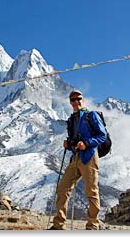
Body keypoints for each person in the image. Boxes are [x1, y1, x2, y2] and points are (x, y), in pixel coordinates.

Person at [49, 90, 107, 230]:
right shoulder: (71, 120)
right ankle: (59, 224)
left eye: (78, 99)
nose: (76, 102)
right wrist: (68, 144)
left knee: (91, 191)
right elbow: (74, 140)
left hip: (89, 157)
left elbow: (102, 135)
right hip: (76, 157)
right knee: (62, 188)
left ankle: (92, 226)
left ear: (83, 100)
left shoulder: (91, 115)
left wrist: (86, 143)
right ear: (70, 102)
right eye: (73, 100)